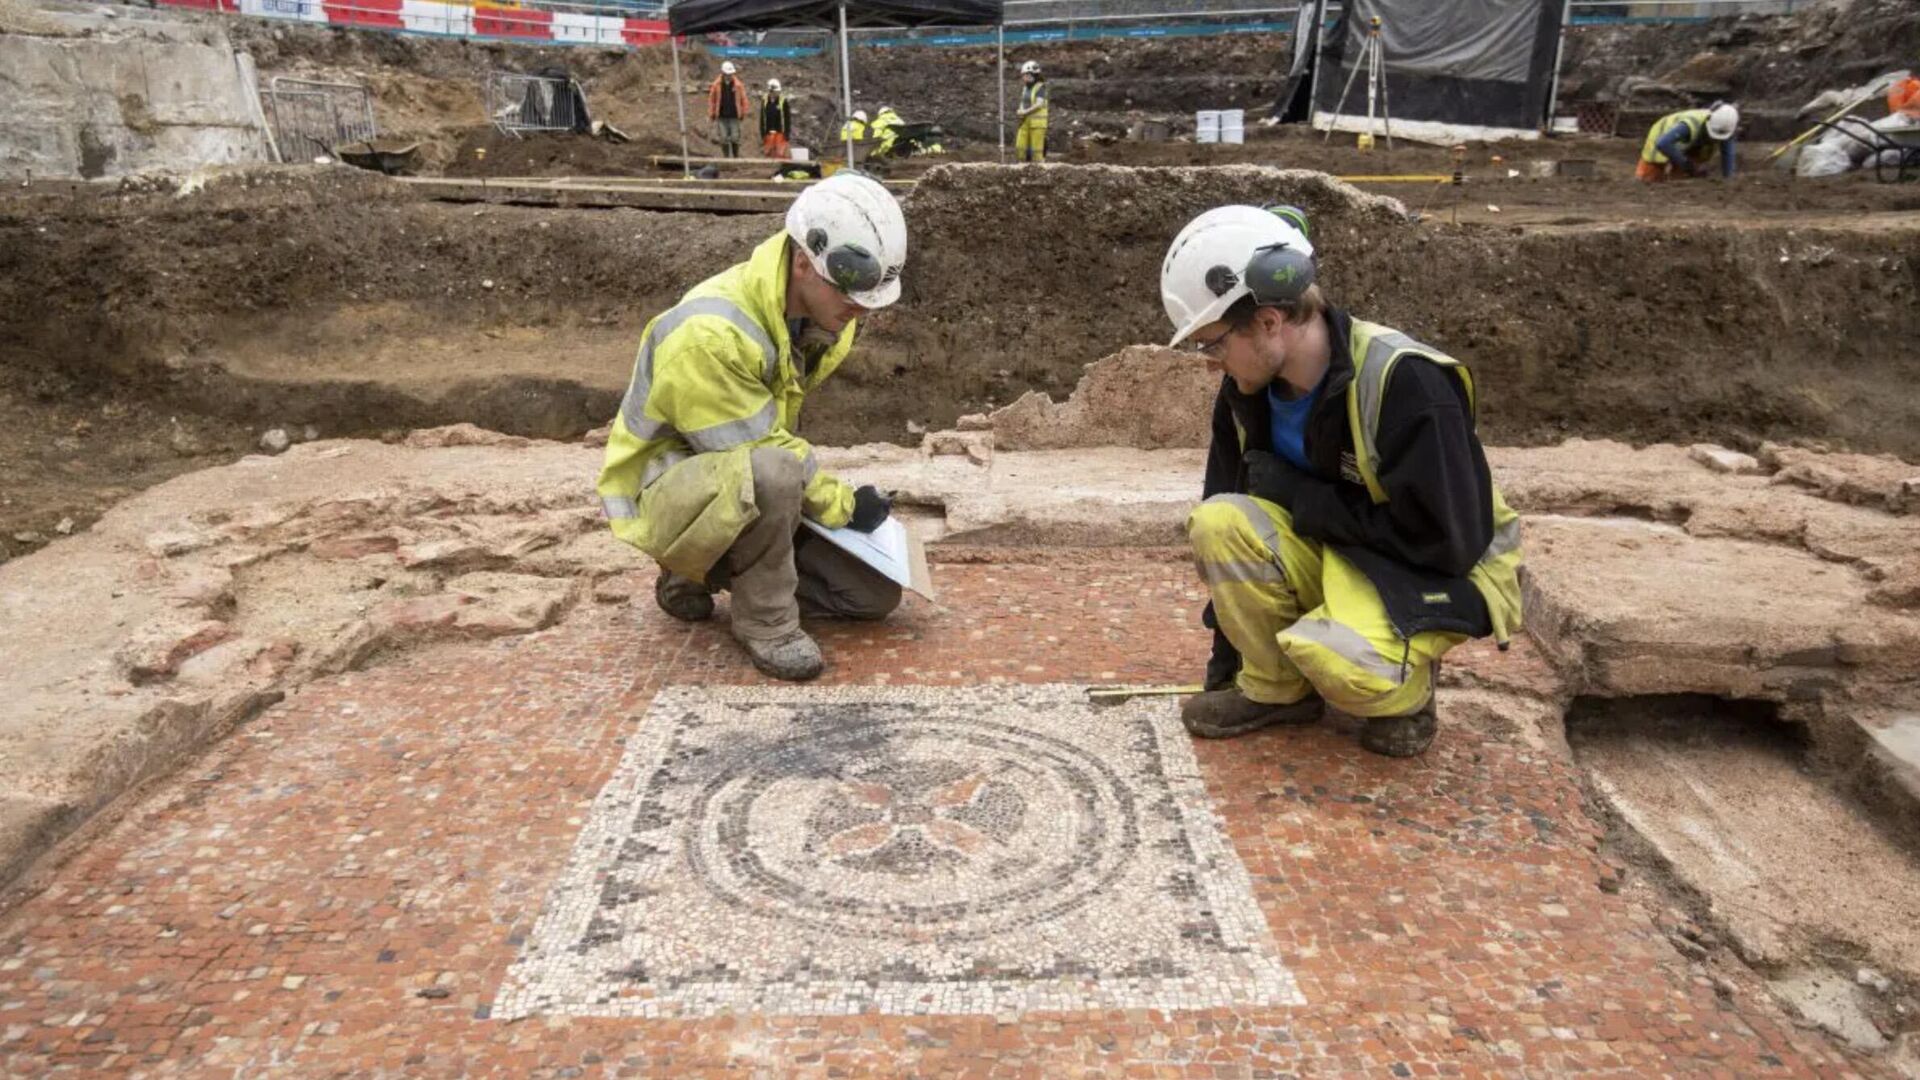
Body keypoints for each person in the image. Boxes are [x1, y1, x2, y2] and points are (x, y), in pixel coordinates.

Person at [1162, 205, 1524, 757]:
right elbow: (1225, 513)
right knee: (1219, 522)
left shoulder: (1406, 383)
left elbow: (1447, 543)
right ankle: (1279, 692)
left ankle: (1405, 689)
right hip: (1344, 548)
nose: (1211, 362)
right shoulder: (1247, 392)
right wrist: (1229, 660)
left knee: (1343, 666)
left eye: (1212, 343)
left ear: (1268, 322)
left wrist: (1304, 498)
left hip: (1436, 563)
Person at [596, 173, 909, 680]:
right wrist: (845, 505)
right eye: (851, 296)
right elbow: (764, 451)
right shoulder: (710, 335)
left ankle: (701, 572)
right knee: (774, 472)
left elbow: (763, 440)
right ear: (805, 263)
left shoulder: (820, 320)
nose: (860, 312)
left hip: (738, 480)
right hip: (664, 497)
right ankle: (764, 622)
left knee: (870, 595)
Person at [1638, 102, 1738, 182]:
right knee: (1649, 179)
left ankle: (1677, 180)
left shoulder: (1726, 128)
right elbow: (1662, 143)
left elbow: (1728, 154)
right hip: (1662, 134)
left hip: (1690, 143)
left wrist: (1728, 178)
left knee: (1685, 178)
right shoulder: (1689, 125)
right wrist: (1687, 164)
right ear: (1709, 120)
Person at [708, 61, 750, 159]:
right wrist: (712, 113)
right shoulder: (716, 84)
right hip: (722, 115)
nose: (729, 76)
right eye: (727, 74)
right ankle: (726, 157)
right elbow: (712, 100)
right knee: (723, 138)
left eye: (730, 74)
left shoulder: (738, 85)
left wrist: (743, 112)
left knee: (735, 138)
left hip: (734, 115)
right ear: (723, 73)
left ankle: (735, 157)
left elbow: (744, 99)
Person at [1015, 60, 1049, 162]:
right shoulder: (1026, 88)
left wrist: (1025, 112)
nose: (1023, 77)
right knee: (1020, 147)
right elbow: (1023, 102)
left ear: (1031, 75)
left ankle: (1039, 170)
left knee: (1036, 150)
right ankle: (1023, 166)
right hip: (1025, 121)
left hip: (1037, 124)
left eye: (1025, 75)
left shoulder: (1040, 87)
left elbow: (1039, 104)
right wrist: (1020, 112)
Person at [761, 78, 792, 159]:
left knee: (780, 154)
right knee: (768, 153)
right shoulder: (764, 100)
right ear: (770, 91)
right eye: (775, 91)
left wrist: (787, 133)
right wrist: (762, 133)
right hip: (768, 132)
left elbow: (787, 118)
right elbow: (762, 118)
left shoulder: (783, 101)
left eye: (778, 91)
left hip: (780, 132)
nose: (777, 93)